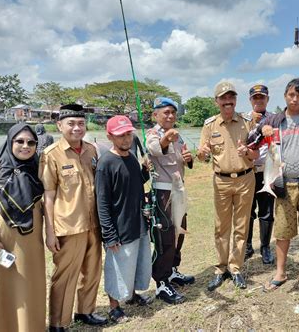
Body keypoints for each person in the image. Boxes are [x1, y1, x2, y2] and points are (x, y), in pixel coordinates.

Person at [247, 78, 299, 294]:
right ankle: (280, 273)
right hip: (284, 185)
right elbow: (250, 142)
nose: (295, 99)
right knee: (282, 232)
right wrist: (260, 130)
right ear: (285, 96)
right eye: (291, 95)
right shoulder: (274, 121)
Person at [39, 104, 107, 331]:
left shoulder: (91, 150)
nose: (77, 128)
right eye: (71, 123)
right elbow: (48, 196)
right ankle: (58, 322)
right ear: (59, 126)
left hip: (93, 223)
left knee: (92, 271)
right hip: (68, 226)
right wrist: (50, 232)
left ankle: (85, 311)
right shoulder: (51, 155)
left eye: (80, 123)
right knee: (65, 276)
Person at [0, 124, 46, 331]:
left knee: (30, 287)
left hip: (32, 241)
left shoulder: (38, 166)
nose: (25, 146)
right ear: (10, 141)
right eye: (20, 141)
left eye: (31, 142)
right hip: (0, 240)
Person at [197, 81, 258, 291]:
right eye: (223, 98)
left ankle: (235, 267)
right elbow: (202, 155)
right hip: (221, 181)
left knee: (241, 226)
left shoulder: (247, 122)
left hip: (245, 179)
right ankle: (221, 268)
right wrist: (203, 154)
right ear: (217, 102)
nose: (227, 102)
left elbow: (256, 154)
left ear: (235, 100)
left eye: (231, 97)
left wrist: (247, 152)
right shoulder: (209, 125)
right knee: (221, 227)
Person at [95, 116, 152, 323]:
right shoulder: (105, 163)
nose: (126, 139)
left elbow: (136, 182)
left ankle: (132, 295)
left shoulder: (131, 158)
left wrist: (146, 170)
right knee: (117, 267)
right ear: (110, 136)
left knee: (136, 262)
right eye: (120, 135)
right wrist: (109, 235)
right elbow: (101, 203)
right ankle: (114, 307)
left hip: (138, 221)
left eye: (129, 134)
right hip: (119, 227)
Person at [146, 97, 195, 304]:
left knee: (180, 232)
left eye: (173, 112)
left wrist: (189, 158)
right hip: (163, 192)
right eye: (165, 112)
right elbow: (155, 149)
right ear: (155, 115)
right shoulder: (153, 134)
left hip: (179, 190)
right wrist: (167, 139)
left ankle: (173, 270)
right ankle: (161, 282)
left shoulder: (179, 136)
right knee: (164, 237)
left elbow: (183, 158)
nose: (170, 116)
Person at [245, 84, 276, 264]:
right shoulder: (242, 119)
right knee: (248, 212)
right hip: (247, 172)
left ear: (267, 99)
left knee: (266, 212)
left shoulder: (274, 119)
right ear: (250, 100)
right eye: (255, 97)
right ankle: (247, 246)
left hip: (266, 171)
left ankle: (265, 247)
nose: (258, 100)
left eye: (261, 97)